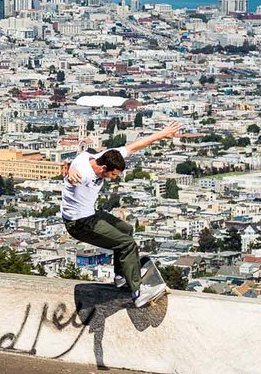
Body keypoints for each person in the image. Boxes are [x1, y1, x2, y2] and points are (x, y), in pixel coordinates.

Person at [60, 121, 182, 307]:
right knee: (127, 244)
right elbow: (71, 177)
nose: (115, 178)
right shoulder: (83, 174)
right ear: (103, 168)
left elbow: (134, 146)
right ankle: (138, 292)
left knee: (126, 230)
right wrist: (70, 174)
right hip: (79, 224)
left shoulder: (105, 156)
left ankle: (121, 276)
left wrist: (163, 133)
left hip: (90, 214)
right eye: (114, 175)